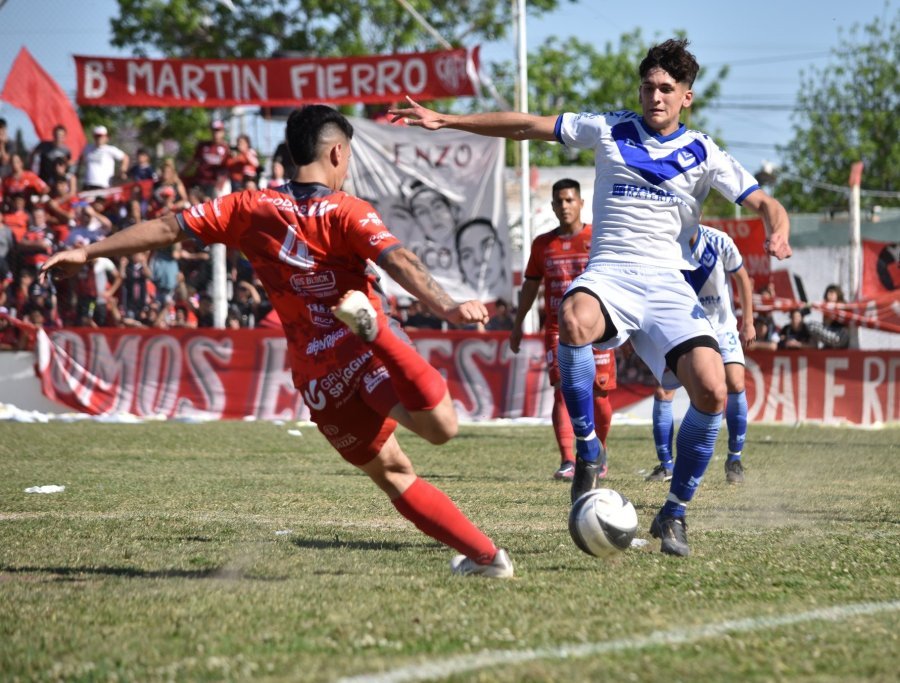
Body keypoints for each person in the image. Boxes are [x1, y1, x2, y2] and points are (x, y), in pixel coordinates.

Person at [40, 104, 514, 579]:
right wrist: (446, 306)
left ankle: (487, 559)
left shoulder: (247, 207)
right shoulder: (345, 209)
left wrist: (88, 249)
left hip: (318, 377)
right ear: (336, 152)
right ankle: (384, 335)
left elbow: (168, 228)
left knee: (393, 474)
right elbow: (399, 260)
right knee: (441, 428)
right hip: (363, 348)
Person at [391, 38, 792, 556]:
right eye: (648, 86)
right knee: (573, 319)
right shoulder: (609, 128)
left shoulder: (705, 153)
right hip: (611, 274)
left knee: (713, 390)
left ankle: (674, 513)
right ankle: (586, 447)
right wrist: (447, 120)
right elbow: (527, 124)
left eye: (667, 89)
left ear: (686, 97)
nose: (655, 96)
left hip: (670, 285)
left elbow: (766, 201)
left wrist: (775, 230)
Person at [509, 178, 616, 481]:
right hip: (558, 330)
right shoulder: (543, 244)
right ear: (553, 206)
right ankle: (569, 460)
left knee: (599, 394)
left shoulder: (598, 237)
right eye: (559, 201)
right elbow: (530, 287)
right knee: (562, 393)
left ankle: (598, 450)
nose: (565, 206)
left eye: (570, 200)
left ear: (581, 203)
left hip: (598, 328)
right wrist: (517, 325)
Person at [647, 225, 756, 486]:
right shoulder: (664, 241)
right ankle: (666, 465)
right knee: (663, 392)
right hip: (683, 327)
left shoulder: (720, 241)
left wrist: (748, 321)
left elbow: (742, 278)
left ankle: (734, 459)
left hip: (721, 324)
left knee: (735, 382)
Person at [183, 119, 231, 198]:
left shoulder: (226, 149)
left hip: (214, 184)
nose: (216, 133)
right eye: (214, 131)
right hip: (200, 181)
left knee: (211, 203)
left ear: (223, 132)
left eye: (218, 131)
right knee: (192, 197)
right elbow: (192, 161)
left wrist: (221, 181)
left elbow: (227, 168)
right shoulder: (203, 146)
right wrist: (182, 173)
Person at [80, 126, 129, 191]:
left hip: (104, 185)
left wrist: (122, 171)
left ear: (106, 137)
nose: (99, 138)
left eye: (101, 136)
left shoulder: (110, 149)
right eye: (97, 136)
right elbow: (81, 161)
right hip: (88, 184)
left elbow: (125, 158)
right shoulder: (87, 148)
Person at [808, 283, 850, 349]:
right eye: (828, 293)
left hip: (840, 334)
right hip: (830, 332)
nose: (829, 296)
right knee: (811, 325)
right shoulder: (826, 307)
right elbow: (826, 325)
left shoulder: (843, 306)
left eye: (832, 293)